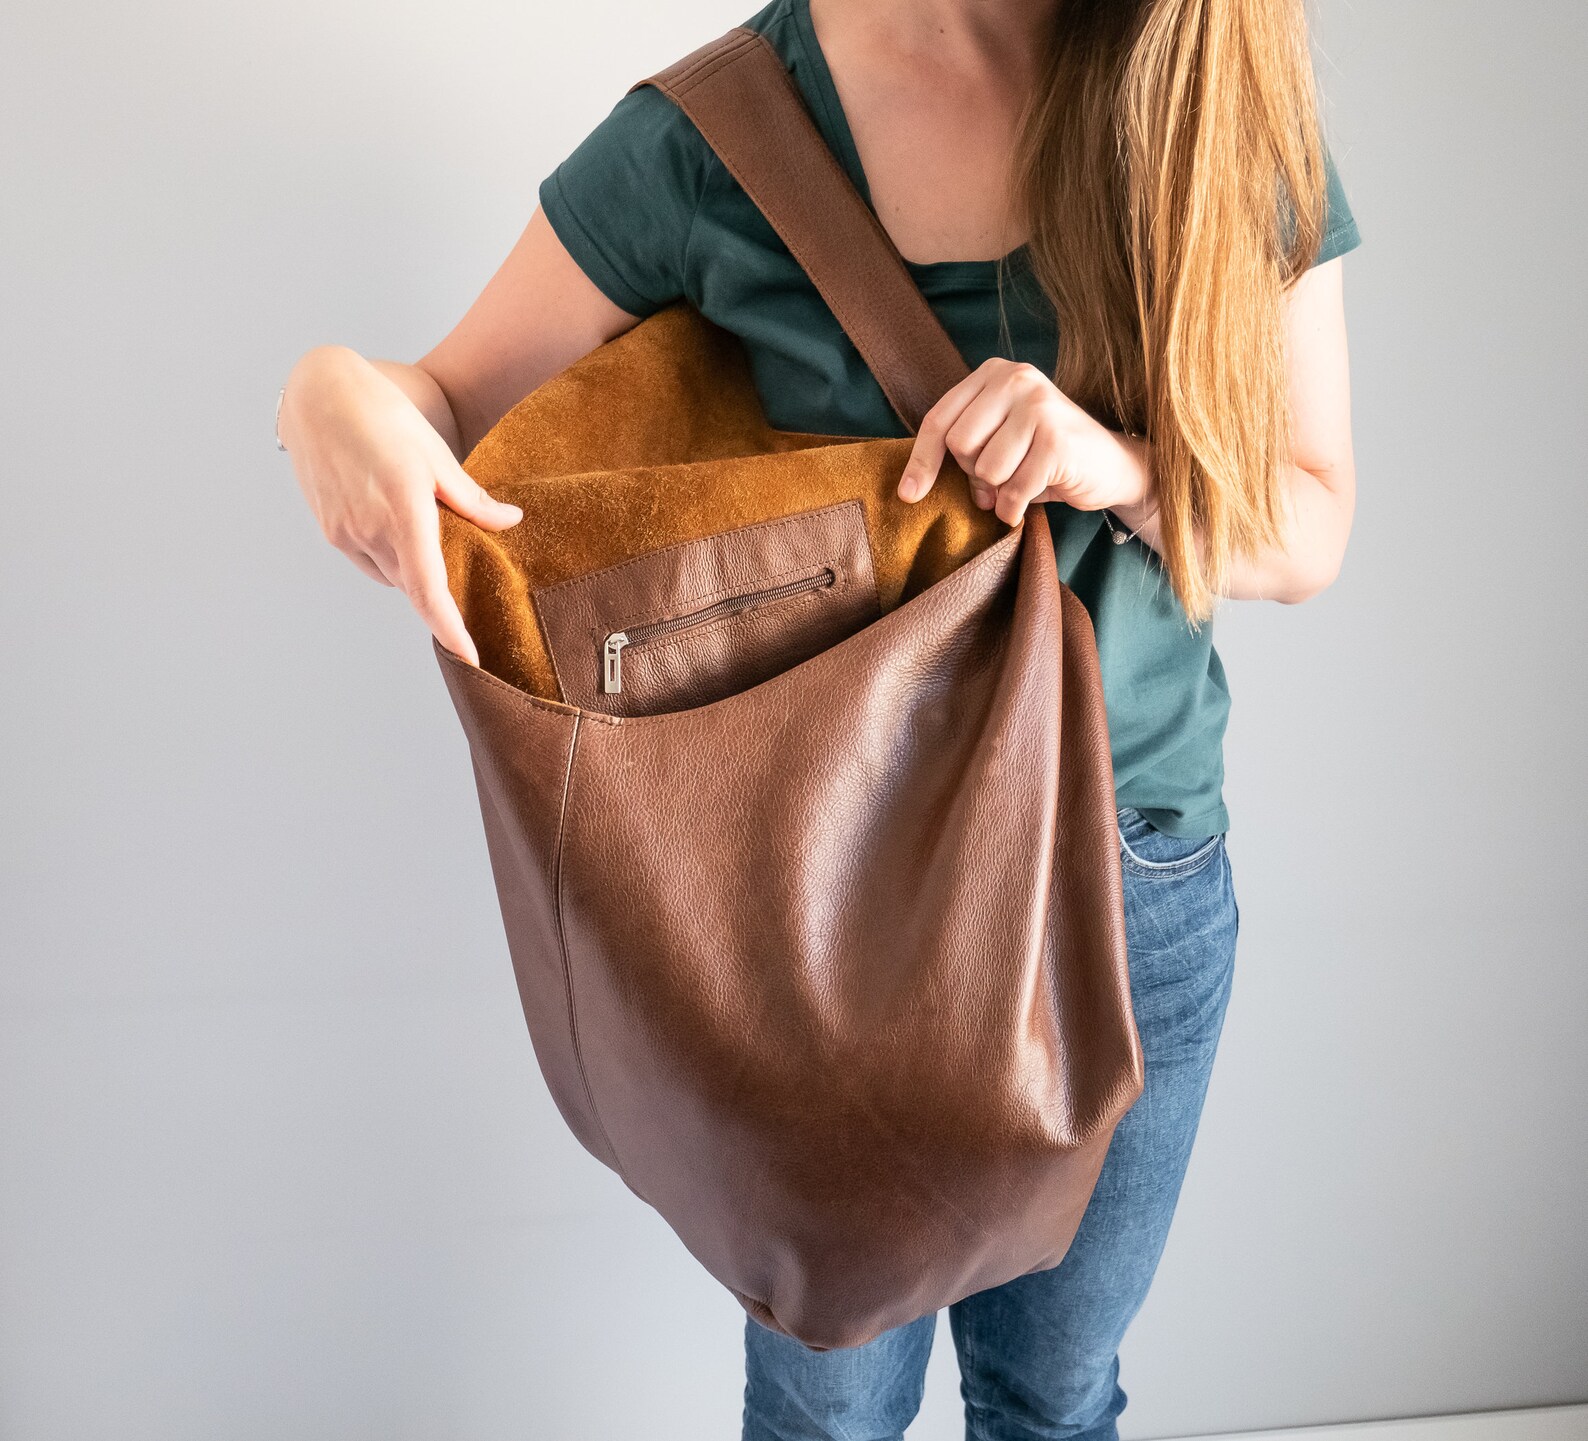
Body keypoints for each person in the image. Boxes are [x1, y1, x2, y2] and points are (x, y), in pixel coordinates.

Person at [277, 0, 1360, 1434]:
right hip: (829, 903)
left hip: (1133, 873)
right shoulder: (721, 134)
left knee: (1055, 1395)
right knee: (826, 1405)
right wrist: (322, 396)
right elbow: (440, 396)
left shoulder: (1203, 82)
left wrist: (1118, 464)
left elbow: (1311, 519)